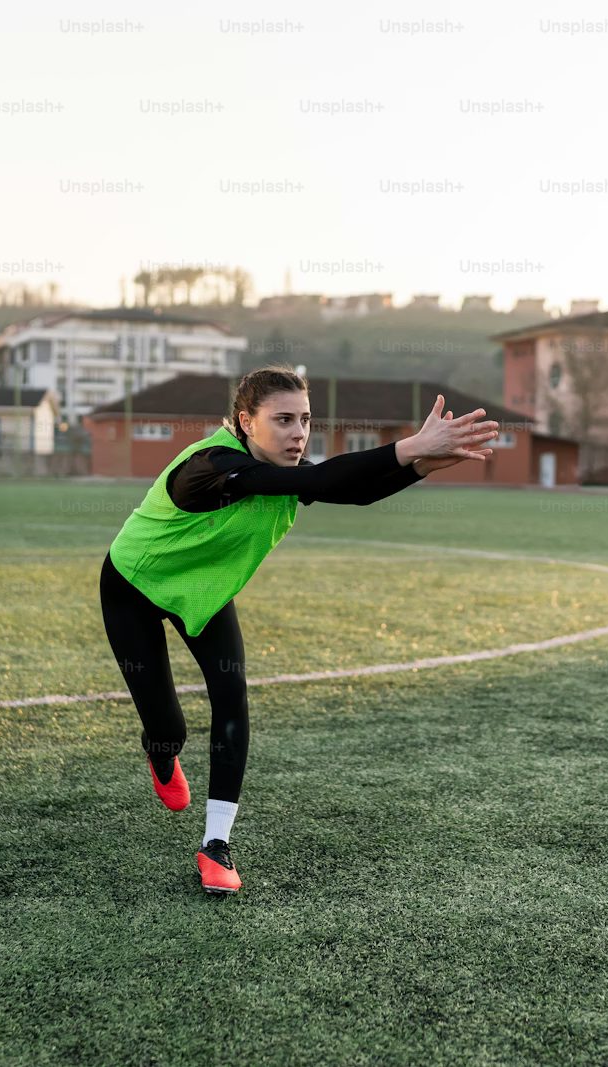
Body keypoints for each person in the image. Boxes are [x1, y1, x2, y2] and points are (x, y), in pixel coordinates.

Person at [100, 366, 497, 894]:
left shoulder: (277, 469)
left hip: (204, 591)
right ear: (245, 420)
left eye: (305, 420)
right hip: (134, 586)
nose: (299, 433)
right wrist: (408, 448)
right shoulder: (212, 465)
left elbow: (348, 491)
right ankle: (161, 751)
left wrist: (421, 465)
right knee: (169, 729)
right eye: (283, 420)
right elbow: (318, 479)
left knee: (232, 695)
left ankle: (215, 845)